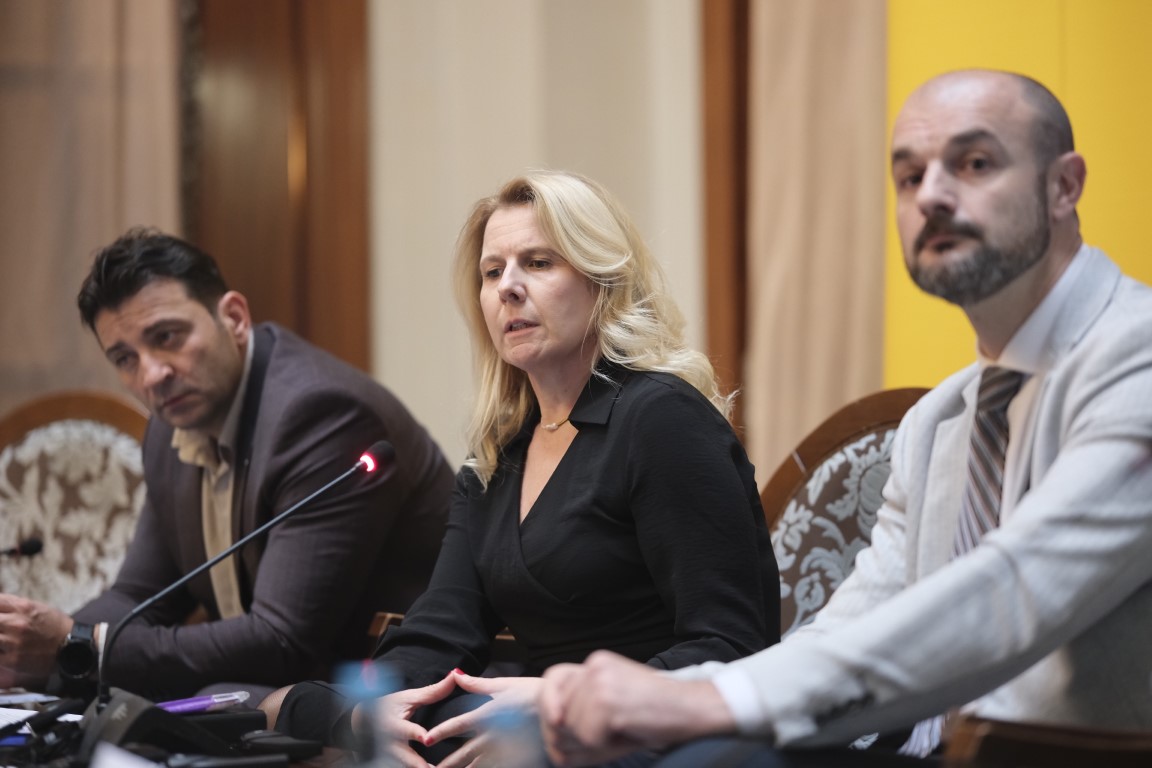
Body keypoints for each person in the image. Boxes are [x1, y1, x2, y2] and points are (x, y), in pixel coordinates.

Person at [539, 69, 1152, 767]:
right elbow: (852, 628)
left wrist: (714, 704)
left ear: (1064, 186)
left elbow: (1016, 589)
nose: (932, 196)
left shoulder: (1137, 358)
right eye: (909, 177)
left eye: (975, 163)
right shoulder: (939, 422)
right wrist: (651, 694)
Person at [265, 170, 780, 767]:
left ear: (602, 284)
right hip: (541, 739)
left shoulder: (661, 417)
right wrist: (363, 713)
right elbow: (441, 634)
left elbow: (730, 644)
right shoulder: (497, 455)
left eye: (538, 263)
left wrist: (564, 700)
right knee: (301, 718)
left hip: (667, 738)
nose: (508, 287)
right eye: (492, 272)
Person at [0, 229, 454, 701]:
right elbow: (138, 596)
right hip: (289, 691)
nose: (152, 374)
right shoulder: (171, 428)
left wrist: (77, 647)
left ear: (234, 318)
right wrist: (28, 649)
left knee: (189, 705)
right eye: (125, 358)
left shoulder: (322, 415)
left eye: (167, 337)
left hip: (396, 693)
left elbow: (282, 640)